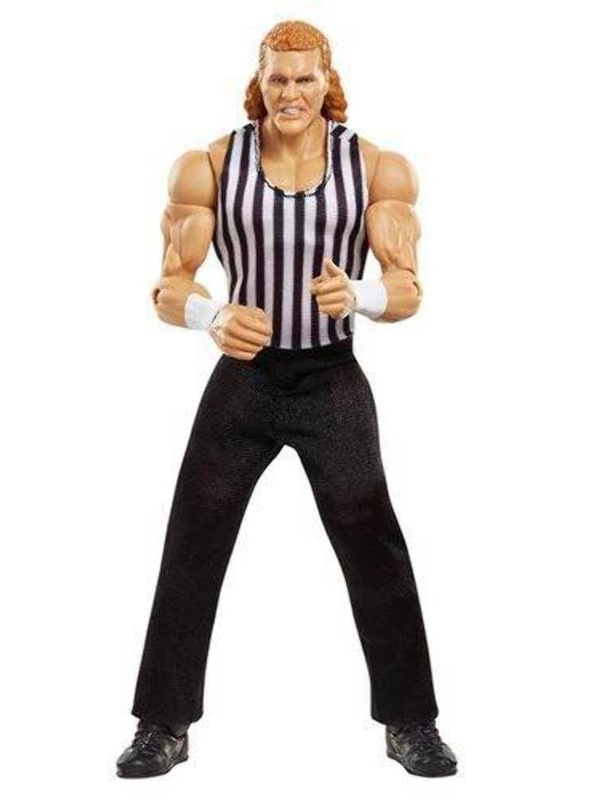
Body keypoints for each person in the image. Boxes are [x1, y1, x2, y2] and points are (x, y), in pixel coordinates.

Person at [116, 20, 458, 779]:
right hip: (245, 379)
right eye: (278, 78)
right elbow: (167, 288)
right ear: (259, 81)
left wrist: (362, 294)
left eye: (305, 78)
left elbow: (408, 290)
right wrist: (211, 315)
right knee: (193, 538)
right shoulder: (209, 164)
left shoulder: (377, 167)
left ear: (327, 81)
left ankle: (411, 721)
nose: (291, 93)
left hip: (331, 378)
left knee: (372, 541)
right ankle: (163, 723)